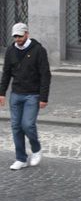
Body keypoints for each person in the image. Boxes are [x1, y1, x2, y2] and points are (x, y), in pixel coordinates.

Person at [0, 23, 51, 170]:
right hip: (16, 94)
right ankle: (21, 158)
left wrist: (43, 97)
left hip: (32, 95)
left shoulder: (39, 50)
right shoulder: (11, 50)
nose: (17, 39)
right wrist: (2, 93)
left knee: (27, 125)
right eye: (15, 36)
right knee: (16, 127)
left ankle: (36, 149)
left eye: (20, 36)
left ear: (27, 34)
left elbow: (45, 75)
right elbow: (7, 73)